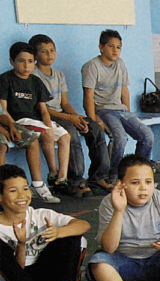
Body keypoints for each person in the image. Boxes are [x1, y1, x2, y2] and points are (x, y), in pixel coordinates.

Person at [0, 164, 90, 281]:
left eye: (25, 188)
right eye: (13, 191)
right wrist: (21, 244)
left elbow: (84, 225)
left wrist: (58, 233)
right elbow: (17, 270)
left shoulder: (41, 215)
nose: (22, 196)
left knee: (71, 234)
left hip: (43, 276)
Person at [31, 34, 109, 195]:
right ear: (35, 55)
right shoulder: (33, 76)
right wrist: (71, 120)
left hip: (63, 114)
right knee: (70, 133)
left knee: (94, 127)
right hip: (47, 116)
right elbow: (42, 109)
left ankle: (97, 176)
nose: (49, 54)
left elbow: (65, 103)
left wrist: (78, 118)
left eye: (52, 50)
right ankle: (75, 180)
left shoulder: (58, 74)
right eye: (44, 51)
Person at [0, 42, 70, 203]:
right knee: (41, 135)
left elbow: (44, 110)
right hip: (19, 121)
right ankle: (43, 180)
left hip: (37, 121)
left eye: (30, 61)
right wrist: (12, 126)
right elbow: (2, 111)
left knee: (64, 136)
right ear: (12, 61)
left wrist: (48, 125)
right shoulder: (5, 80)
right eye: (21, 61)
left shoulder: (36, 81)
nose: (26, 66)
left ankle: (59, 177)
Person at [82, 30, 154, 181]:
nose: (115, 50)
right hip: (104, 110)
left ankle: (138, 171)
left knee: (147, 135)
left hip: (120, 109)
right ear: (101, 47)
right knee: (120, 138)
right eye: (111, 46)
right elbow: (88, 96)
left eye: (118, 47)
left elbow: (124, 90)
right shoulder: (92, 66)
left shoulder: (120, 64)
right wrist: (93, 120)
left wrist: (128, 112)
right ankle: (113, 176)